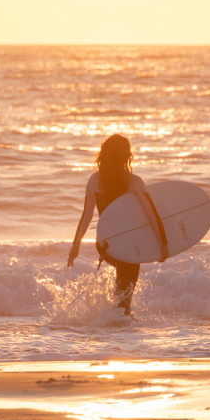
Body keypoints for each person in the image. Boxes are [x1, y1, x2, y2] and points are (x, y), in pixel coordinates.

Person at [67, 133, 166, 317]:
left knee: (123, 282)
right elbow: (151, 215)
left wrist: (76, 245)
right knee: (126, 288)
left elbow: (86, 216)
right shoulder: (133, 181)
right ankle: (119, 323)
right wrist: (163, 244)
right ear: (126, 156)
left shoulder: (94, 180)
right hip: (129, 244)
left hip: (105, 243)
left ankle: (113, 322)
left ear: (103, 155)